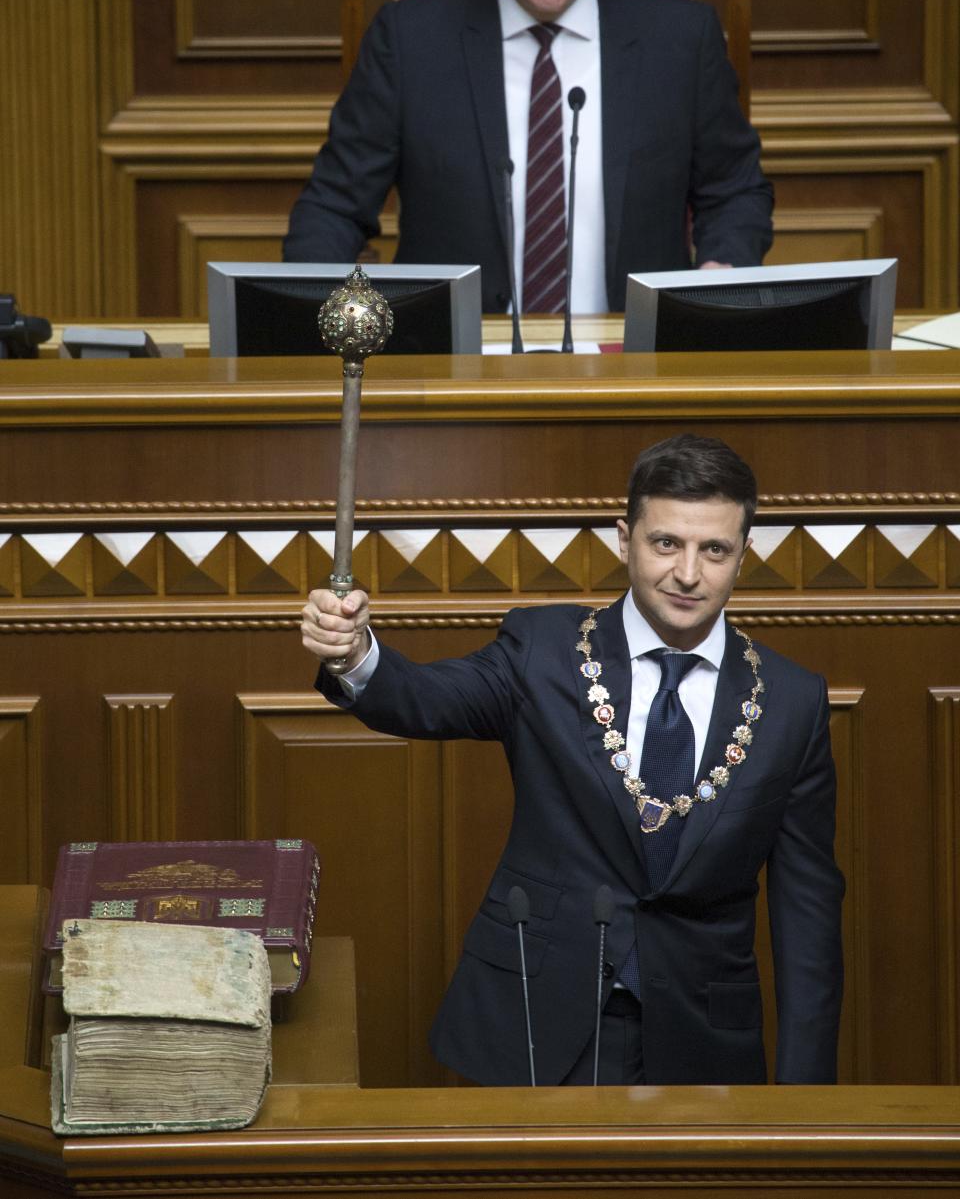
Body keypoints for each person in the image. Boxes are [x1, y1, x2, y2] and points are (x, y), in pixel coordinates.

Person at [301, 434, 844, 1086]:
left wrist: (806, 1099)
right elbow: (425, 699)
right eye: (666, 542)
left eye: (715, 549)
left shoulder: (792, 700)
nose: (689, 573)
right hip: (537, 1021)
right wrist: (357, 653)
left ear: (744, 554)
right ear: (625, 537)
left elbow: (808, 914)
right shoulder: (544, 648)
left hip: (704, 1041)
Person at [284, 0, 773, 315]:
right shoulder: (409, 41)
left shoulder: (682, 40)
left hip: (631, 362)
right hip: (457, 364)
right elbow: (335, 206)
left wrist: (722, 269)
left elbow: (735, 190)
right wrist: (317, 314)